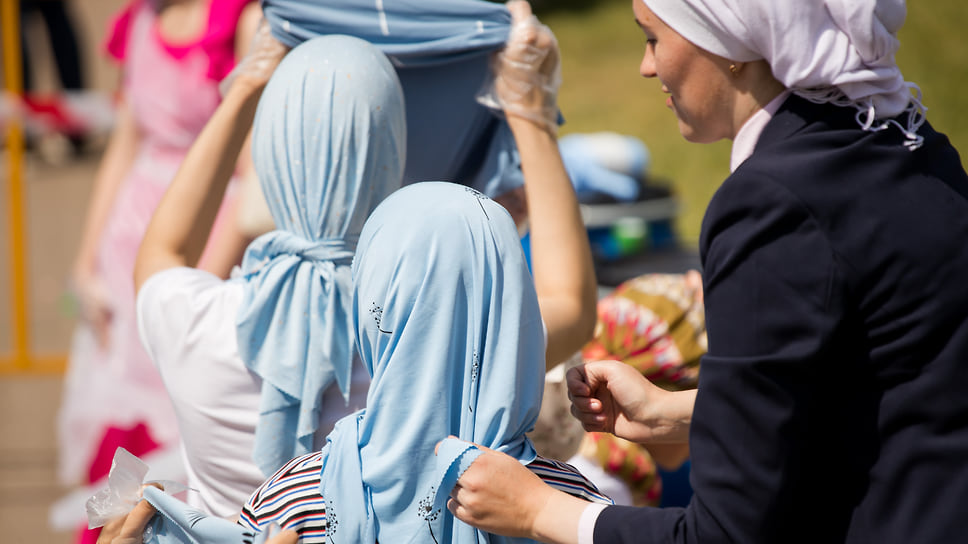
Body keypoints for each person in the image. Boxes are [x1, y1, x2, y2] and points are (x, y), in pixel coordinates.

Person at [443, 0, 968, 542]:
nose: (648, 66)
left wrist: (538, 510)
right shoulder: (908, 139)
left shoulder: (773, 204)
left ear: (730, 40)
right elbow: (884, 376)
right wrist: (683, 412)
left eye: (652, 38)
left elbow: (722, 533)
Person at [131, 0, 595, 521]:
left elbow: (163, 251)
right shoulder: (442, 333)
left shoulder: (193, 322)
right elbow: (570, 304)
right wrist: (528, 110)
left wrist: (243, 90)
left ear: (265, 154)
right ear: (397, 158)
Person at [59, 1, 260, 541]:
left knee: (185, 408)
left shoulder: (243, 19)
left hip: (206, 238)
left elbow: (250, 164)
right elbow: (125, 143)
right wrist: (85, 260)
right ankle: (113, 530)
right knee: (121, 413)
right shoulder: (142, 20)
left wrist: (196, 288)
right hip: (131, 249)